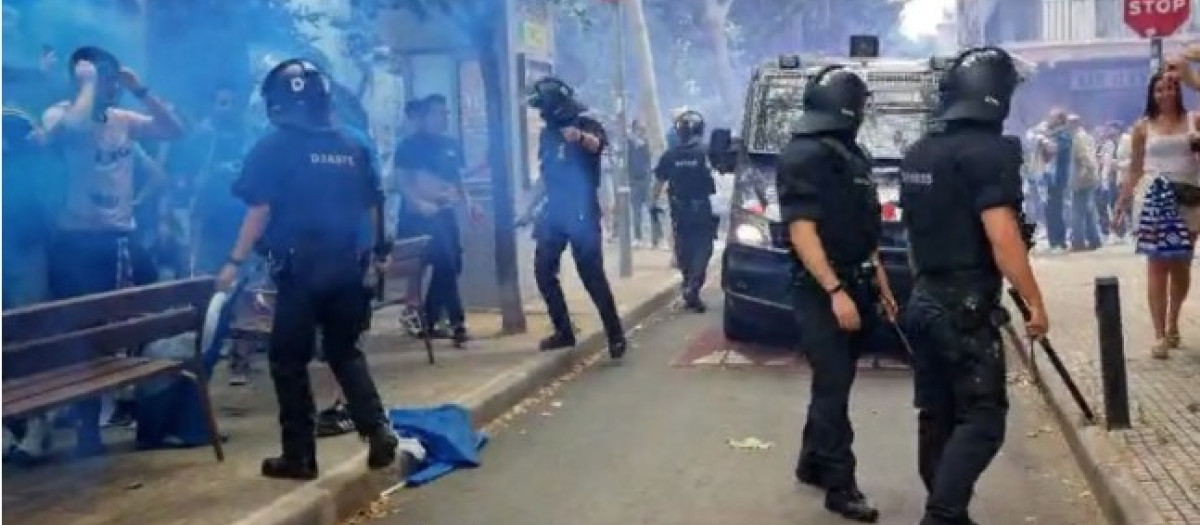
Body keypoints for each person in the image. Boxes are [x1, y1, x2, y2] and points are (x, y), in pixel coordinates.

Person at [218, 58, 397, 480]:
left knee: (288, 360)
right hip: (349, 268)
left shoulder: (273, 145)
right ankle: (377, 429)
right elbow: (375, 205)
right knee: (345, 351)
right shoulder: (354, 144)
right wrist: (379, 253)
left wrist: (233, 262)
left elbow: (258, 209)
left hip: (301, 273)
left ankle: (299, 456)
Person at [900, 47, 1049, 525]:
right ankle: (942, 515)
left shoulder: (919, 151)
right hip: (963, 306)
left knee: (937, 414)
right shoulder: (991, 152)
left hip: (923, 298)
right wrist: (1034, 303)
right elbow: (1003, 237)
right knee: (983, 419)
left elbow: (914, 232)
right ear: (995, 96)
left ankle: (951, 513)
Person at [40, 46, 184, 456]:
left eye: (110, 76)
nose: (110, 86)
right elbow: (72, 130)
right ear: (81, 80)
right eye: (101, 77)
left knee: (147, 324)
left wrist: (141, 90)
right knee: (86, 338)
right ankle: (88, 428)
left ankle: (142, 409)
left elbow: (174, 130)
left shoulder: (123, 120)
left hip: (122, 239)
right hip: (76, 245)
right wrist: (87, 84)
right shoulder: (61, 115)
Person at [776, 65, 894, 523]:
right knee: (832, 385)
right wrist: (835, 291)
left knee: (835, 381)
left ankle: (811, 462)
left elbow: (865, 227)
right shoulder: (802, 156)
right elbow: (802, 230)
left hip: (857, 279)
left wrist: (879, 278)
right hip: (821, 289)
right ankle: (841, 486)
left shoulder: (852, 154)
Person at [517, 76, 627, 359]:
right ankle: (563, 331)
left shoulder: (587, 124)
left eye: (543, 106)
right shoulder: (547, 134)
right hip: (554, 210)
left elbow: (597, 145)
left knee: (591, 275)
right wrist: (528, 210)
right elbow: (546, 176)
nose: (540, 112)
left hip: (581, 211)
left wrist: (578, 137)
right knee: (543, 271)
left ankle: (615, 335)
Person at [1114, 65, 1200, 360]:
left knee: (1181, 265)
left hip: (1188, 200)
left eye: (1171, 87)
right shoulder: (1142, 127)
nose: (1166, 93)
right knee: (1156, 265)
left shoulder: (1194, 121)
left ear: (1179, 91)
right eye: (1160, 89)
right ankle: (1159, 334)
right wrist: (1121, 204)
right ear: (1152, 93)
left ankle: (1174, 320)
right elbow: (1135, 169)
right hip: (1152, 200)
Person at [394, 94, 480, 345]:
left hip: (445, 213)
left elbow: (457, 179)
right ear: (425, 116)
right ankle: (457, 324)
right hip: (420, 218)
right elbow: (402, 181)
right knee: (444, 263)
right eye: (438, 113)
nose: (444, 118)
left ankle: (429, 319)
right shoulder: (409, 146)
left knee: (453, 264)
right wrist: (419, 203)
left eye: (446, 113)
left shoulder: (451, 144)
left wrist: (470, 203)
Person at [651, 110, 717, 312]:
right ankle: (693, 287)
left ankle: (688, 284)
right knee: (703, 248)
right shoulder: (705, 152)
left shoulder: (670, 155)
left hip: (679, 209)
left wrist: (653, 204)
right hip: (701, 207)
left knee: (684, 247)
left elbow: (659, 182)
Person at [1066, 114, 1101, 251]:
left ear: (1074, 123)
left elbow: (1086, 159)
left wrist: (1081, 177)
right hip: (1089, 179)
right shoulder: (1087, 136)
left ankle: (1078, 242)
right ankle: (1095, 239)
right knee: (1089, 210)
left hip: (1083, 180)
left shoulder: (1079, 137)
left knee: (1078, 212)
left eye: (1069, 123)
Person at [628, 119, 658, 248]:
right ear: (634, 129)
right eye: (639, 129)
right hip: (634, 181)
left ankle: (656, 238)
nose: (642, 132)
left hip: (646, 180)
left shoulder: (646, 144)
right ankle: (638, 237)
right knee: (636, 212)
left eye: (643, 129)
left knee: (652, 209)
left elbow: (649, 161)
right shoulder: (628, 144)